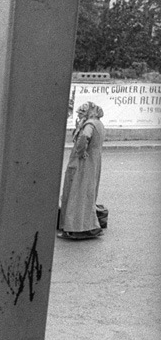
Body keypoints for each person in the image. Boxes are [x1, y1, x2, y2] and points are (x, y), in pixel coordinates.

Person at [59, 102, 106, 240]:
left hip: (83, 163)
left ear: (87, 113)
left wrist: (81, 151)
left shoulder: (89, 125)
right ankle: (87, 225)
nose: (78, 115)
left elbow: (84, 137)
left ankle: (74, 228)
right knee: (87, 193)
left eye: (80, 113)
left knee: (76, 193)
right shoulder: (99, 124)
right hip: (94, 161)